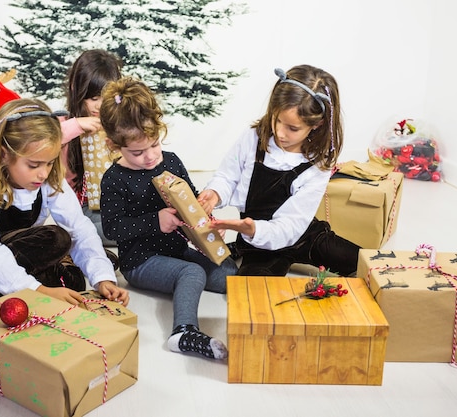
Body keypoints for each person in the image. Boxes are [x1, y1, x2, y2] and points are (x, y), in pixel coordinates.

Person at [0, 98, 129, 320]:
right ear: (4, 154)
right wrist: (39, 292)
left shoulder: (49, 179)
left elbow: (79, 227)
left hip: (22, 253)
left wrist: (102, 277)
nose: (43, 173)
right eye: (33, 165)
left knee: (73, 283)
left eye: (49, 163)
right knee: (56, 239)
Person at [99, 77, 238, 360]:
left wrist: (208, 223)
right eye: (137, 152)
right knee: (192, 273)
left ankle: (193, 277)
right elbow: (113, 228)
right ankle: (183, 332)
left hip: (176, 250)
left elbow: (192, 199)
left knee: (228, 274)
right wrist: (155, 221)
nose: (150, 157)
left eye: (154, 145)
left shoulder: (171, 160)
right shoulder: (114, 179)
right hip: (140, 261)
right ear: (114, 145)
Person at [197, 65, 360, 277]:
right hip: (258, 243)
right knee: (252, 292)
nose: (280, 133)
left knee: (368, 264)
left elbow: (291, 224)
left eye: (293, 128)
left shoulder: (317, 165)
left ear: (317, 124)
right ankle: (243, 249)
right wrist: (215, 194)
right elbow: (227, 176)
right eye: (277, 120)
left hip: (303, 235)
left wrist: (255, 229)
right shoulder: (253, 138)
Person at [60, 49, 122, 266]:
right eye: (94, 98)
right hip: (84, 209)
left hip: (118, 203)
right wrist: (77, 125)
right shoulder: (65, 124)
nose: (99, 106)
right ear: (76, 91)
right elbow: (44, 140)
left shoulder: (117, 122)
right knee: (84, 229)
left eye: (106, 98)